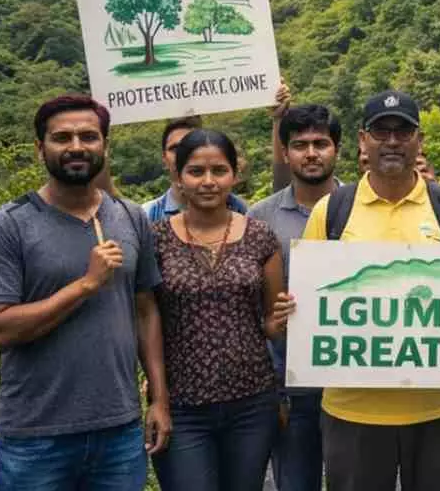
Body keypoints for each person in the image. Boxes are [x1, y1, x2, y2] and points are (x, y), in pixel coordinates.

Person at [0, 96, 170, 490]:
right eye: (62, 137)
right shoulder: (8, 226)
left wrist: (159, 399)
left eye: (88, 137)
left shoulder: (129, 217)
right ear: (39, 148)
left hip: (120, 431)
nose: (76, 146)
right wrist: (85, 285)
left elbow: (146, 311)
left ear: (104, 147)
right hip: (36, 437)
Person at [300, 90, 440, 491]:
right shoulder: (331, 213)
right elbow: (312, 304)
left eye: (404, 131)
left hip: (438, 409)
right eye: (381, 132)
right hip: (352, 410)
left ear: (419, 140)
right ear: (363, 141)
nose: (393, 141)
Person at [151, 130, 293, 491]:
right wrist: (158, 398)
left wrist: (292, 315)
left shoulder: (261, 236)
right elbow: (145, 320)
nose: (208, 182)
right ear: (178, 176)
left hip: (252, 403)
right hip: (183, 406)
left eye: (219, 170)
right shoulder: (155, 239)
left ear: (235, 173)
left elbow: (270, 325)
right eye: (196, 171)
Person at [248, 105, 343, 491]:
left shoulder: (362, 209)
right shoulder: (260, 219)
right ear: (285, 153)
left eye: (321, 143)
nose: (311, 153)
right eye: (300, 144)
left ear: (338, 149)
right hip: (288, 387)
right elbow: (249, 304)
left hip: (353, 383)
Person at [144, 116, 247, 222]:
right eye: (175, 149)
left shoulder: (243, 211)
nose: (182, 155)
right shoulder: (147, 216)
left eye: (191, 147)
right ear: (164, 159)